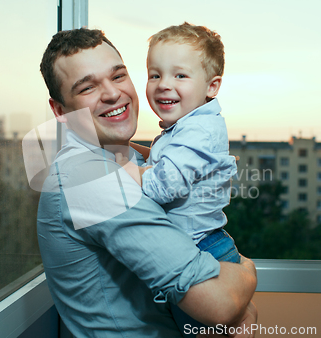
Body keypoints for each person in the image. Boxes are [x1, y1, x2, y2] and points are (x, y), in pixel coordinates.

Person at [37, 27, 257, 337]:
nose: (113, 94)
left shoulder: (125, 159)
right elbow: (220, 305)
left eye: (118, 76)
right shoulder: (89, 180)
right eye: (87, 87)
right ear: (61, 111)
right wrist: (247, 272)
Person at [115, 23, 240, 336]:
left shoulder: (198, 132)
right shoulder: (190, 126)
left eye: (179, 75)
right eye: (155, 75)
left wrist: (122, 172)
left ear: (212, 86)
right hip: (196, 247)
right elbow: (163, 157)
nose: (162, 85)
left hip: (202, 251)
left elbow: (163, 185)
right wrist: (128, 147)